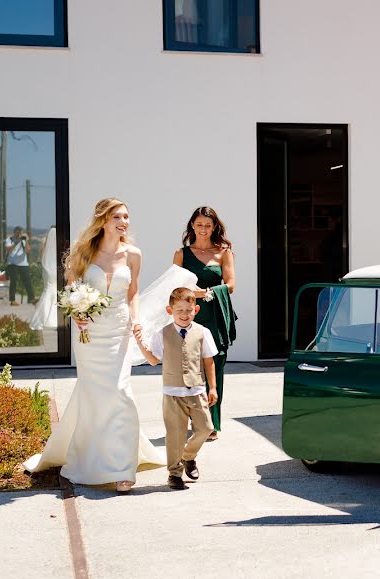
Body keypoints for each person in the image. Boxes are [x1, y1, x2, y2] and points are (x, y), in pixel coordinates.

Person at [24, 198, 164, 493]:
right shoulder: (83, 251)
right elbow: (72, 286)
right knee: (95, 394)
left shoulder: (134, 254)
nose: (124, 222)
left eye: (126, 217)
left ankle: (123, 467)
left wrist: (136, 320)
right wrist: (77, 314)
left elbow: (134, 291)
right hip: (90, 334)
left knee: (120, 392)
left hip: (120, 330)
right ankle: (91, 458)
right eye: (117, 217)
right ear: (103, 220)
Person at [134, 287, 219, 490]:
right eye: (179, 310)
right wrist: (140, 344)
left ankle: (188, 457)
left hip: (197, 390)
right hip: (172, 393)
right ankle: (174, 473)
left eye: (188, 310)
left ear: (196, 310)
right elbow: (154, 359)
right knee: (175, 435)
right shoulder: (162, 333)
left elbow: (209, 361)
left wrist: (213, 388)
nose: (184, 314)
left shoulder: (202, 332)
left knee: (206, 428)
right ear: (169, 310)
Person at [173, 206, 236, 440]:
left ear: (214, 227)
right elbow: (174, 287)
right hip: (188, 318)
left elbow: (230, 285)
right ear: (192, 226)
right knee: (191, 369)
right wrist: (192, 296)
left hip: (216, 315)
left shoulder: (223, 252)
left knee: (215, 367)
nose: (203, 229)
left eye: (208, 225)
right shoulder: (181, 254)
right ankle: (197, 420)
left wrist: (206, 293)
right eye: (199, 224)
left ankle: (212, 424)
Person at [5, 226, 36, 306]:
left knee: (28, 281)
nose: (19, 234)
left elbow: (28, 250)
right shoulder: (9, 239)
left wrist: (27, 241)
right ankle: (12, 300)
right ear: (14, 232)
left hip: (23, 263)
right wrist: (17, 241)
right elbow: (8, 248)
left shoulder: (23, 240)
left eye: (21, 233)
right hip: (12, 263)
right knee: (14, 281)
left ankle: (31, 298)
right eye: (18, 233)